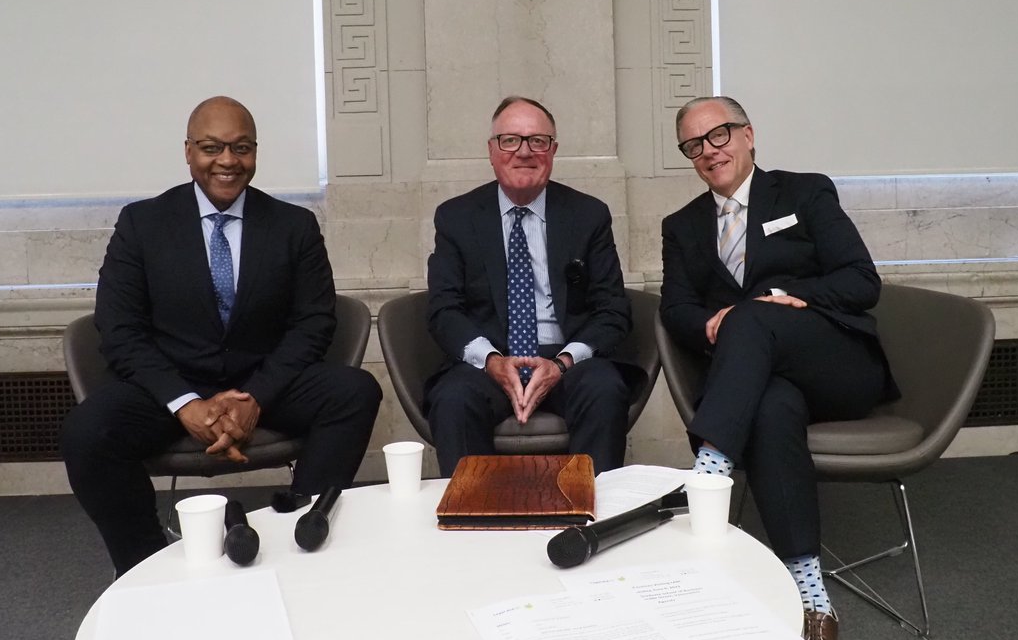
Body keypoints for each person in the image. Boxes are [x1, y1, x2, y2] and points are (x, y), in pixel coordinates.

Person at [61, 96, 382, 576]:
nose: (228, 161)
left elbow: (314, 323)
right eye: (212, 147)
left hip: (263, 379)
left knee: (355, 393)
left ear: (256, 152)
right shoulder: (142, 224)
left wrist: (255, 398)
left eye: (242, 147)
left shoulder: (294, 226)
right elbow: (120, 328)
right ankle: (145, 565)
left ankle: (301, 529)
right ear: (188, 151)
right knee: (87, 431)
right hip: (171, 384)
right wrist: (185, 403)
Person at [660, 95, 895, 640]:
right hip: (766, 382)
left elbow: (860, 281)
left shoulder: (805, 192)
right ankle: (813, 603)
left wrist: (793, 297)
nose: (710, 151)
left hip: (837, 364)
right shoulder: (682, 226)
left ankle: (708, 471)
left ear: (748, 134)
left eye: (720, 135)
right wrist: (708, 323)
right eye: (694, 145)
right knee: (768, 406)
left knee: (752, 314)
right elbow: (676, 307)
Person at [425, 96, 634, 477]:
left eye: (537, 141)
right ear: (491, 151)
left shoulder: (588, 215)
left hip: (566, 359)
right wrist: (490, 361)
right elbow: (443, 310)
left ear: (553, 150)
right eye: (510, 141)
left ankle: (590, 521)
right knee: (453, 398)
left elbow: (613, 311)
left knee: (605, 388)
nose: (524, 152)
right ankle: (472, 519)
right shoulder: (456, 217)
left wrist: (562, 362)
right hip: (488, 358)